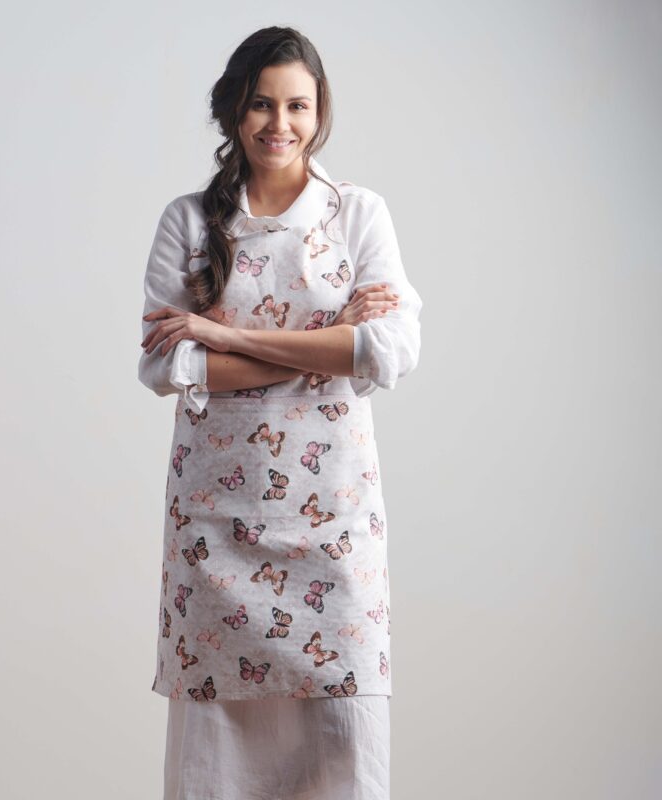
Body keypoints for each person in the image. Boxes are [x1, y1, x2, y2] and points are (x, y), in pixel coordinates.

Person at [138, 25, 423, 800]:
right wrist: (329, 345)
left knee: (345, 748)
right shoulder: (188, 223)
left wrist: (224, 337)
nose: (279, 123)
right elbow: (165, 366)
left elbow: (389, 350)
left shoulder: (357, 215)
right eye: (261, 104)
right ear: (233, 109)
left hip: (333, 523)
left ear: (319, 110)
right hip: (216, 530)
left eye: (298, 105)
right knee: (215, 756)